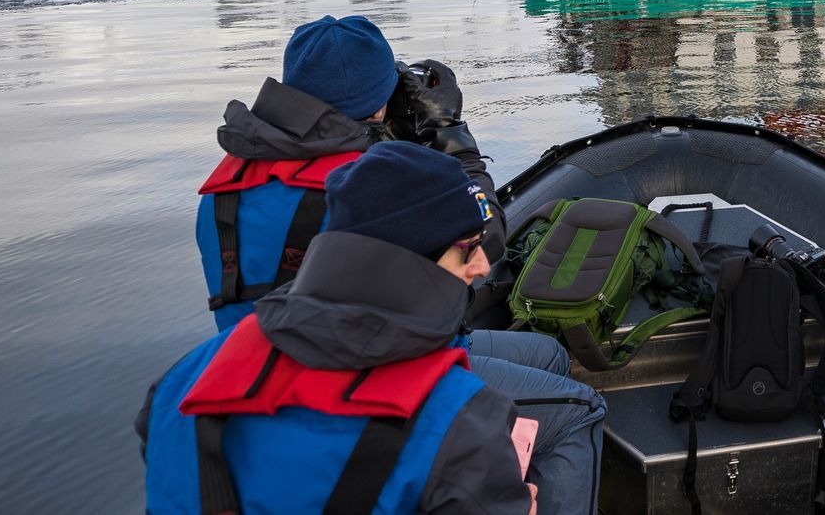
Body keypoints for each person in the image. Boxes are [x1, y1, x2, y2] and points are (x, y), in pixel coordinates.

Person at [140, 141, 606, 514]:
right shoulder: (460, 423)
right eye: (467, 248)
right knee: (581, 406)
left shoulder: (179, 383)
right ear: (412, 259)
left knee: (548, 356)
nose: (483, 265)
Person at [199, 15, 489, 332]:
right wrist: (451, 137)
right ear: (380, 109)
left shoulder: (224, 186)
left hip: (248, 364)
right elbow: (486, 242)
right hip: (371, 374)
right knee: (546, 355)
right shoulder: (374, 185)